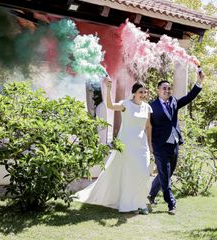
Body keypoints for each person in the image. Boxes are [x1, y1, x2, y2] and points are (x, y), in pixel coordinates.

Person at [74, 78, 153, 214]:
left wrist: (150, 145)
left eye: (144, 92)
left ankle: (140, 201)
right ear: (134, 93)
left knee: (144, 173)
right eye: (140, 91)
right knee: (129, 174)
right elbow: (110, 105)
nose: (143, 94)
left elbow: (147, 126)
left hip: (141, 145)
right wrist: (109, 89)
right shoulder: (126, 104)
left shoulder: (147, 107)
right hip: (127, 145)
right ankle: (133, 204)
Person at [147, 67, 205, 215]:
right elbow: (149, 127)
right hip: (159, 146)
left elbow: (188, 98)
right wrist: (150, 146)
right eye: (164, 88)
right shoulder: (151, 107)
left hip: (173, 144)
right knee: (165, 176)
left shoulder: (173, 102)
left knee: (167, 173)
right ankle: (171, 204)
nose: (167, 90)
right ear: (158, 90)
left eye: (168, 88)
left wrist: (199, 82)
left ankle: (151, 195)